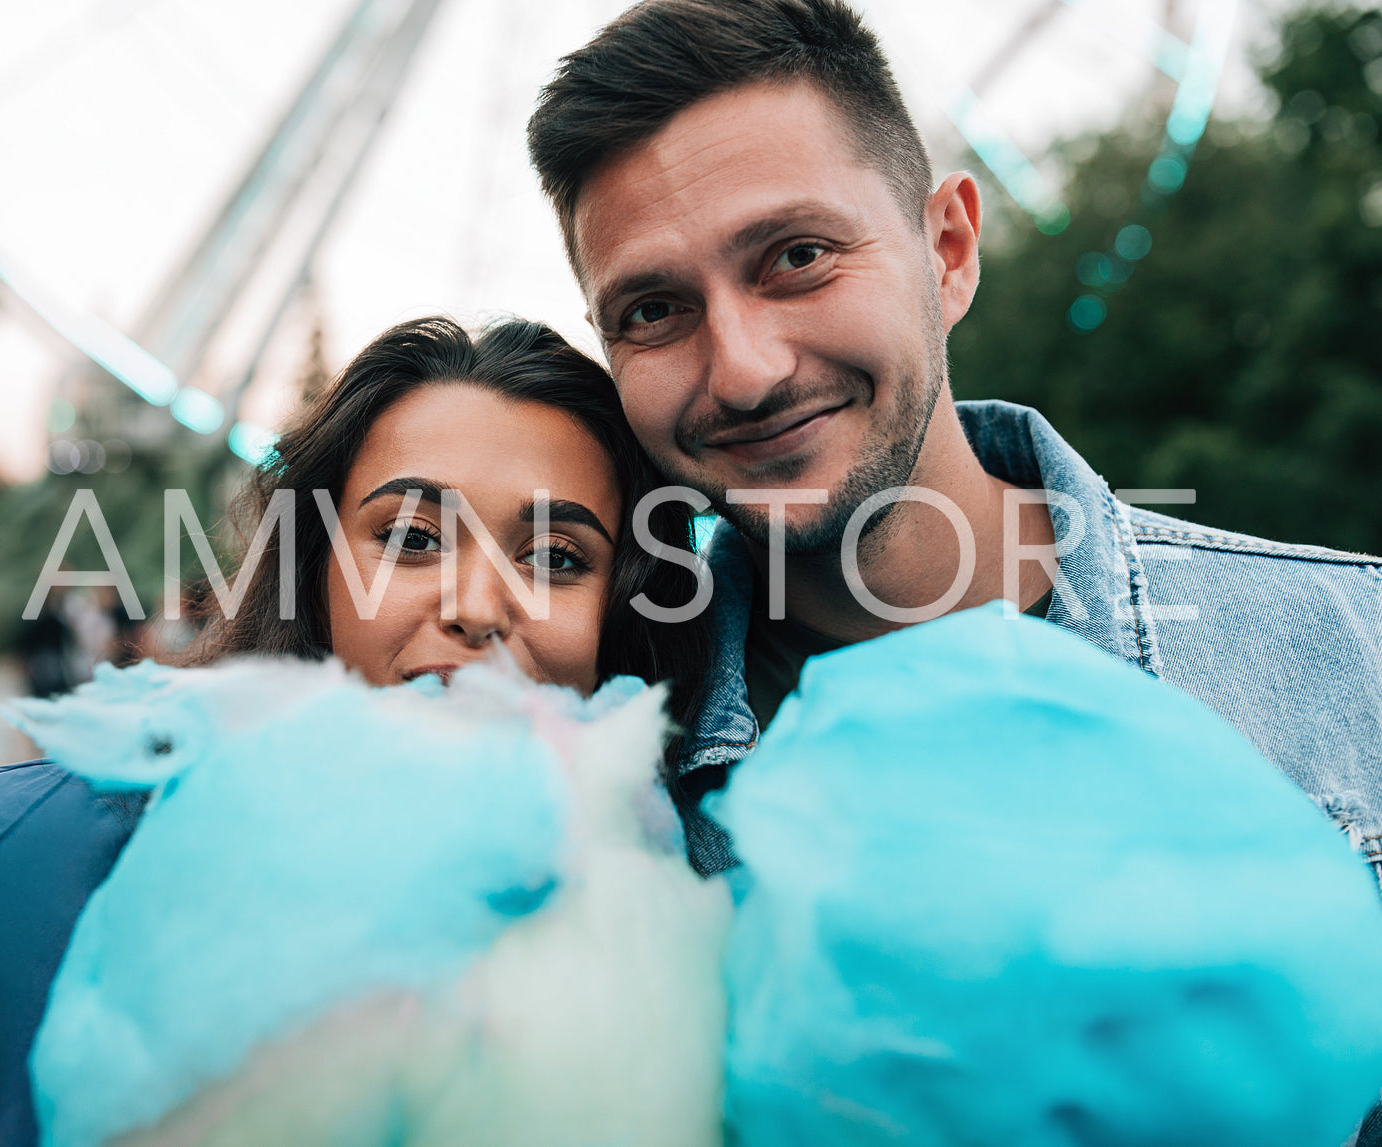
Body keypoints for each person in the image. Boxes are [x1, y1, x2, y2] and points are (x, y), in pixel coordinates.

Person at [525, 0, 1382, 878]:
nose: (744, 372)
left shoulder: (1354, 655)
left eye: (797, 257)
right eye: (654, 311)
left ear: (949, 251)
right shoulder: (587, 780)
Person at [0, 316, 708, 1145]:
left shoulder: (681, 920)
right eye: (411, 538)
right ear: (314, 570)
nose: (478, 608)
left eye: (557, 557)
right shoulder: (20, 862)